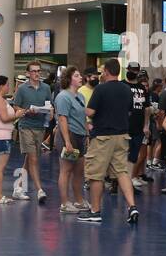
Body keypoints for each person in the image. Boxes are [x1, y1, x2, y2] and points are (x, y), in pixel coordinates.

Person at [79, 58, 139, 225]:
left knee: (96, 174)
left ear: (106, 71)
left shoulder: (100, 89)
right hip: (122, 136)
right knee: (122, 172)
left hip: (103, 137)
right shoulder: (127, 90)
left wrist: (77, 106)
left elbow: (90, 112)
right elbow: (129, 111)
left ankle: (95, 211)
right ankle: (132, 207)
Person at [11, 61, 52, 203]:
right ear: (28, 73)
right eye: (33, 71)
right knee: (33, 158)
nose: (36, 73)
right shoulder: (22, 89)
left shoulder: (46, 88)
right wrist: (27, 111)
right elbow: (16, 107)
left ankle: (18, 188)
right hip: (26, 126)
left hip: (40, 126)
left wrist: (50, 111)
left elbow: (49, 105)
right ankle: (40, 190)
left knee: (30, 159)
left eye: (38, 71)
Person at [54, 67, 89, 213]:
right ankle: (64, 203)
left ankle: (79, 200)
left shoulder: (80, 96)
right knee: (66, 170)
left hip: (80, 136)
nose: (80, 77)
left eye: (80, 74)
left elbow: (83, 117)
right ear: (69, 79)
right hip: (68, 135)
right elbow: (62, 119)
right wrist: (67, 142)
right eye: (76, 75)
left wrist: (86, 135)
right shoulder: (63, 97)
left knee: (79, 170)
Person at [0, 76, 25, 204]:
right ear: (1, 86)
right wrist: (16, 115)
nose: (9, 87)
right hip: (1, 138)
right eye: (8, 85)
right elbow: (4, 118)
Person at [125, 63, 152, 187]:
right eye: (131, 70)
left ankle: (129, 180)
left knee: (134, 154)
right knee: (121, 154)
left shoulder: (142, 88)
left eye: (136, 71)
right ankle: (115, 180)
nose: (133, 72)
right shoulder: (122, 85)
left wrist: (146, 125)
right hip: (124, 126)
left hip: (138, 126)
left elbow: (147, 108)